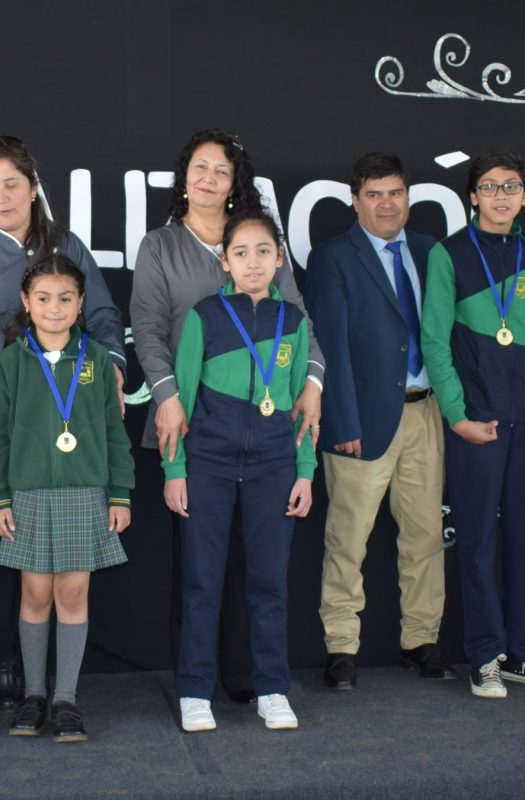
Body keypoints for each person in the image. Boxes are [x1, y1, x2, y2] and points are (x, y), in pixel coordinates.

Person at [0, 135, 126, 710]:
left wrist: (112, 367)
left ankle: (58, 685)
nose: (1, 196)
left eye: (11, 184)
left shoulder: (65, 245)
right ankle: (5, 661)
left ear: (33, 187)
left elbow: (104, 314)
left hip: (61, 433)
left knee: (62, 563)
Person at [130, 129, 323, 703]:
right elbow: (148, 330)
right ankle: (195, 685)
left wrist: (313, 383)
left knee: (258, 569)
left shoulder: (260, 239)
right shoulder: (160, 245)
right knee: (199, 568)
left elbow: (300, 323)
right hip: (190, 426)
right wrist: (168, 397)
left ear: (236, 181)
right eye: (200, 167)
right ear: (184, 175)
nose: (209, 178)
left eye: (221, 169)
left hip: (266, 438)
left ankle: (249, 679)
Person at [420, 148, 525, 700]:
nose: (501, 195)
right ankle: (485, 656)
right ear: (473, 195)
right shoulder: (449, 254)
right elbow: (435, 341)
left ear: (524, 196)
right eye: (489, 186)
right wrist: (457, 416)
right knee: (478, 541)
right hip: (476, 422)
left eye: (511, 186)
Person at [164, 211, 315, 733]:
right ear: (225, 261)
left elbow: (300, 406)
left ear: (279, 259)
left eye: (264, 251)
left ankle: (272, 688)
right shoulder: (205, 315)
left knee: (269, 585)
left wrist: (305, 471)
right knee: (202, 584)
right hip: (208, 466)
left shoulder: (293, 320)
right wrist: (174, 469)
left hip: (274, 467)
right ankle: (194, 691)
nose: (253, 262)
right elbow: (181, 401)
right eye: (241, 252)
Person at [305, 152, 451, 689]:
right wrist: (341, 421)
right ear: (355, 200)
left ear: (408, 196)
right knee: (348, 540)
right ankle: (341, 647)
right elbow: (330, 346)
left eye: (395, 193)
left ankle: (421, 641)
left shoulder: (431, 251)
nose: (386, 204)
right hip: (361, 420)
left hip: (424, 412)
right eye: (374, 194)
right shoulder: (332, 258)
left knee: (425, 537)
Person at [0, 255, 134, 744]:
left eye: (66, 298)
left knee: (71, 594)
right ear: (26, 302)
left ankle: (65, 698)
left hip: (85, 493)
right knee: (35, 595)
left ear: (81, 302)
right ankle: (33, 694)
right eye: (43, 298)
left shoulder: (97, 360)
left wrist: (121, 494)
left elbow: (114, 432)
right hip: (28, 494)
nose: (54, 308)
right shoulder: (11, 362)